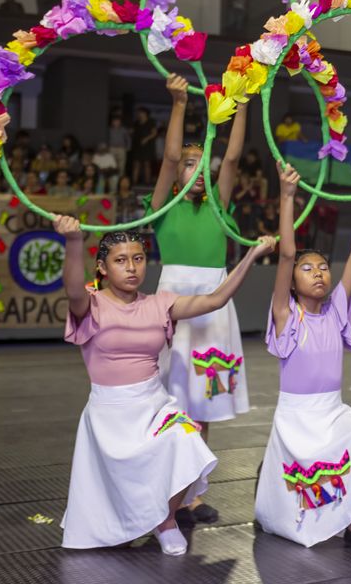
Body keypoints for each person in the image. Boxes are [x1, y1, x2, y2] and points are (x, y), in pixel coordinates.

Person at [56, 214, 273, 555]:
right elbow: (72, 289)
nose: (131, 267)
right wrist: (72, 242)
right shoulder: (91, 304)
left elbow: (215, 300)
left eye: (138, 258)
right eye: (120, 260)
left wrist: (251, 255)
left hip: (154, 404)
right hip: (109, 412)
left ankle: (166, 520)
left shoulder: (160, 303)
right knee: (117, 515)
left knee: (187, 439)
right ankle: (128, 523)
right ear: (102, 268)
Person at [254, 164, 351, 550]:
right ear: (292, 280)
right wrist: (286, 196)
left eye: (322, 268)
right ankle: (270, 483)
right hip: (296, 419)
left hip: (333, 413)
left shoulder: (336, 311)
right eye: (307, 268)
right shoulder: (286, 316)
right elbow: (285, 254)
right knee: (286, 507)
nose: (318, 273)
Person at [145, 73, 249, 524]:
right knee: (168, 405)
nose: (198, 168)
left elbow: (233, 156)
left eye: (203, 163)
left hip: (213, 309)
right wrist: (179, 103)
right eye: (191, 164)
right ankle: (162, 488)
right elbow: (169, 157)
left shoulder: (218, 206)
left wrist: (243, 105)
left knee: (202, 406)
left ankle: (191, 494)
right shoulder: (162, 209)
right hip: (173, 307)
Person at [131, 107, 158, 186]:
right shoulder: (136, 123)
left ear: (145, 114)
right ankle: (134, 183)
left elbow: (154, 133)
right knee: (136, 164)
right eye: (138, 113)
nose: (139, 114)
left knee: (147, 164)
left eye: (141, 113)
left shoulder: (151, 122)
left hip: (147, 146)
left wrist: (146, 139)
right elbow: (134, 133)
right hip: (138, 146)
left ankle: (147, 183)